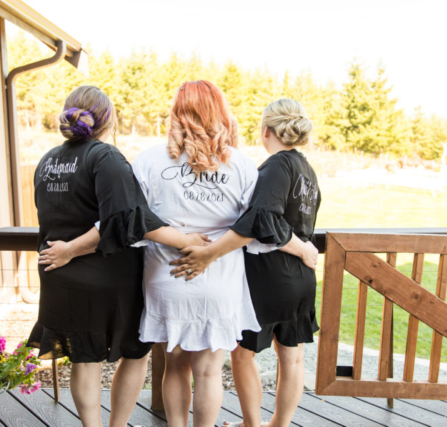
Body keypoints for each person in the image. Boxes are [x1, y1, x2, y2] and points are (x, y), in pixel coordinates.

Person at [27, 85, 207, 427]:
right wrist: (184, 239)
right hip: (106, 275)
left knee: (84, 360)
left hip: (59, 276)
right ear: (108, 120)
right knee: (136, 354)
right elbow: (124, 220)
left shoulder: (49, 160)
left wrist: (65, 251)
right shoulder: (105, 156)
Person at [170, 98, 321, 427]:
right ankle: (278, 425)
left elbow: (263, 218)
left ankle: (252, 424)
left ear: (266, 130)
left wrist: (297, 248)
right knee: (292, 357)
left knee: (242, 353)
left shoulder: (276, 166)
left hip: (271, 275)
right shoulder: (307, 171)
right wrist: (304, 250)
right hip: (302, 279)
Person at [127, 80, 261, 427]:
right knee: (208, 372)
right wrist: (211, 252)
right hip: (220, 280)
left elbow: (131, 220)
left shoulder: (148, 161)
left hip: (167, 273)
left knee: (175, 367)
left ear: (176, 113)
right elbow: (254, 227)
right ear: (220, 112)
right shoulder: (244, 166)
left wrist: (180, 239)